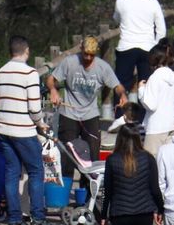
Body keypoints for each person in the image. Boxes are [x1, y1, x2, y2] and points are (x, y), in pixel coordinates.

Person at [0, 36, 57, 225]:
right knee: (36, 171)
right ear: (26, 51)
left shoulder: (1, 72)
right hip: (23, 129)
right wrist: (41, 123)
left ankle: (14, 220)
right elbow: (34, 107)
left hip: (4, 129)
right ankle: (37, 218)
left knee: (12, 173)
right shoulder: (30, 73)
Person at [47, 38, 126, 177]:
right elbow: (50, 79)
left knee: (93, 153)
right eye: (85, 54)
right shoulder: (69, 62)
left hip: (90, 114)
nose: (88, 58)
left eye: (92, 55)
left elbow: (117, 86)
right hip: (69, 112)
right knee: (67, 153)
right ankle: (65, 186)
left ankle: (90, 188)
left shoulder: (103, 67)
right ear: (81, 50)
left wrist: (122, 95)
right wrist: (53, 90)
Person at [113, 0, 167, 92]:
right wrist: (156, 47)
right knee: (147, 86)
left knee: (121, 85)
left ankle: (119, 109)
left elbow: (116, 18)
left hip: (126, 47)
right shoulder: (153, 2)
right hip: (148, 47)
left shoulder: (120, 1)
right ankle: (145, 110)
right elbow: (161, 29)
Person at [139, 48, 174, 155]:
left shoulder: (154, 77)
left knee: (152, 165)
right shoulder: (173, 75)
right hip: (171, 124)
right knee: (167, 163)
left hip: (156, 127)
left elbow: (150, 105)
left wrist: (141, 90)